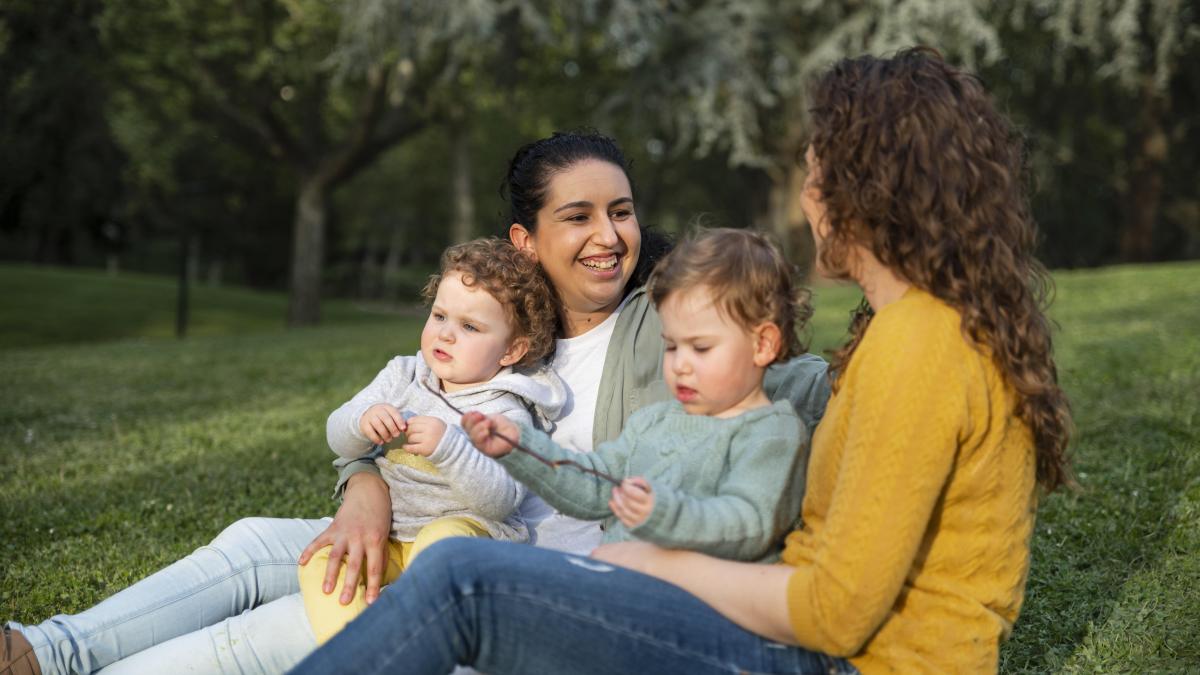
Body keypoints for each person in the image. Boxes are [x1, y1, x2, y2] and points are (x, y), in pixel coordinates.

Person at [289, 48, 1074, 675]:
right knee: (458, 576)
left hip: (838, 661)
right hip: (796, 635)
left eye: (814, 175)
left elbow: (837, 611)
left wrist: (659, 564)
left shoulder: (924, 344)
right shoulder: (913, 330)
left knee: (461, 581)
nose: (807, 198)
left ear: (867, 190)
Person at [1, 130, 830, 675]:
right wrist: (362, 483)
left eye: (621, 212)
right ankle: (41, 651)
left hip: (511, 562)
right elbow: (397, 411)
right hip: (420, 521)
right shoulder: (500, 328)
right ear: (525, 240)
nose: (609, 236)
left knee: (279, 626)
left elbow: (772, 368)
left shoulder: (664, 329)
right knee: (251, 542)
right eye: (578, 216)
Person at [464, 228, 811, 563]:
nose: (680, 365)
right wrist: (522, 448)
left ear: (763, 344)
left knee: (459, 564)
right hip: (617, 580)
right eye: (671, 346)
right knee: (461, 560)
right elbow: (595, 485)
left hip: (693, 597)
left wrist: (663, 513)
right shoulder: (655, 421)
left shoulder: (771, 433)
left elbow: (750, 526)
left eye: (701, 348)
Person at [299, 237, 566, 644]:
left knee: (441, 547)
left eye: (469, 327)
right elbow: (338, 437)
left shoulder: (507, 412)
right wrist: (361, 421)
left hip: (468, 534)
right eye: (440, 316)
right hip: (393, 536)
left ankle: (416, 646)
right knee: (322, 562)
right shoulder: (404, 375)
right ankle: (360, 654)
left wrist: (450, 447)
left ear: (511, 350)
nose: (445, 334)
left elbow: (501, 500)